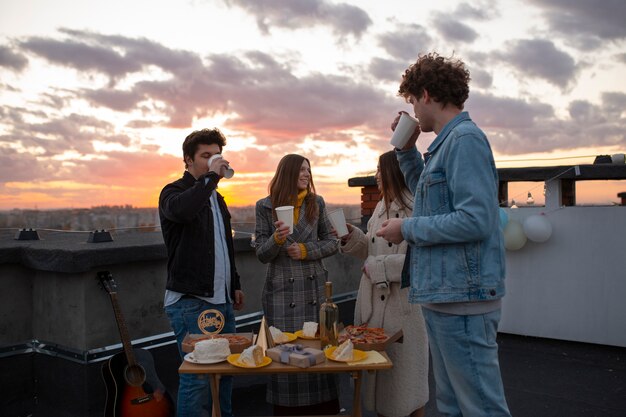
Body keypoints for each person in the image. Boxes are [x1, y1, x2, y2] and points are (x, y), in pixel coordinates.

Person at [376, 52, 512, 417]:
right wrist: (406, 151)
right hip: (447, 296)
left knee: (480, 406)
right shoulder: (445, 144)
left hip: (463, 300)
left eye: (411, 102)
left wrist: (405, 228)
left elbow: (476, 220)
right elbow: (431, 201)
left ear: (425, 94)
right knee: (453, 405)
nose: (413, 112)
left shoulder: (465, 140)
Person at [159, 128, 244, 417]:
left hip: (221, 300)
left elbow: (224, 245)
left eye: (215, 155)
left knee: (224, 373)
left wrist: (235, 284)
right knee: (197, 378)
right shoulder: (174, 192)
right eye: (205, 156)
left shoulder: (217, 199)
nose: (211, 161)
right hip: (191, 302)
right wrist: (210, 178)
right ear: (188, 160)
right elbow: (182, 212)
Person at [337, 150, 428, 417]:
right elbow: (370, 248)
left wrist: (377, 268)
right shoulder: (380, 207)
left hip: (403, 310)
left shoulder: (413, 208)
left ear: (392, 172)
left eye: (379, 170)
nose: (376, 175)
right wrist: (350, 236)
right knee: (384, 385)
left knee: (407, 386)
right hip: (375, 310)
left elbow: (417, 262)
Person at [254, 154, 340, 415]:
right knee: (285, 354)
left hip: (313, 290)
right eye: (302, 170)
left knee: (316, 349)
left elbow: (332, 242)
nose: (306, 174)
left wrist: (304, 250)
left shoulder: (318, 203)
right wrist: (277, 239)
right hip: (281, 293)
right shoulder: (264, 206)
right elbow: (261, 253)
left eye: (308, 170)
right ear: (288, 173)